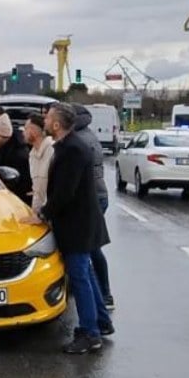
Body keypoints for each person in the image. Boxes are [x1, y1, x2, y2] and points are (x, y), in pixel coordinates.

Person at [38, 103, 113, 354]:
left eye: (47, 118)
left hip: (76, 225)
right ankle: (101, 322)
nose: (44, 121)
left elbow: (65, 193)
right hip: (83, 222)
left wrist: (43, 213)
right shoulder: (71, 146)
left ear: (57, 125)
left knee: (79, 277)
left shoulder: (71, 150)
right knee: (87, 275)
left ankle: (90, 334)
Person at [72, 104, 114, 311]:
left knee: (90, 247)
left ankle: (104, 294)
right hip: (97, 195)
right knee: (90, 247)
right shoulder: (85, 135)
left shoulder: (81, 140)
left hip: (93, 197)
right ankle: (103, 293)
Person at [24, 112, 54, 220]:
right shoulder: (32, 155)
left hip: (53, 215)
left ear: (34, 132)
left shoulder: (52, 150)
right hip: (41, 216)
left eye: (26, 128)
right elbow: (37, 190)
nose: (23, 132)